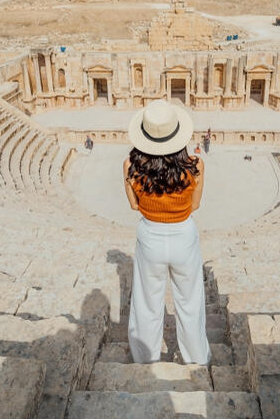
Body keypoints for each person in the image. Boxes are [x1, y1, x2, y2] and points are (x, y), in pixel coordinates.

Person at [123, 99, 210, 365]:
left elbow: (133, 205)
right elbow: (195, 205)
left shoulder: (131, 167)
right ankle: (197, 359)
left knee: (146, 302)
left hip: (150, 236)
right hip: (184, 235)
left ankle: (145, 359)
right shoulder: (195, 166)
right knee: (190, 301)